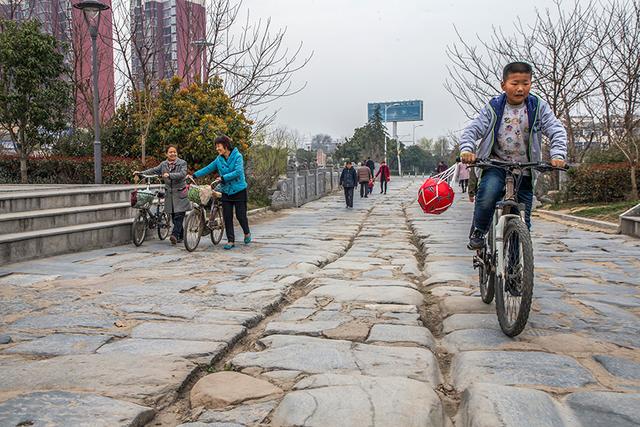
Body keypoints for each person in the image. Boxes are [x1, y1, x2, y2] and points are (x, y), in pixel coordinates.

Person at [459, 61, 567, 250]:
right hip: (495, 164)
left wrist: (558, 155)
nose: (520, 88)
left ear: (531, 84)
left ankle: (517, 269)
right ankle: (479, 231)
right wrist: (467, 149)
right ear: (503, 85)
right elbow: (473, 129)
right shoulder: (495, 106)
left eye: (525, 83)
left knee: (523, 218)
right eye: (514, 83)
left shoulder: (537, 106)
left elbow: (557, 130)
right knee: (488, 195)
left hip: (526, 168)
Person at [189, 135, 251, 250]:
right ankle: (230, 240)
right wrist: (194, 175)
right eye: (216, 147)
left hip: (239, 190)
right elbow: (208, 168)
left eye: (219, 146)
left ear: (225, 145)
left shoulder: (237, 156)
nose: (217, 149)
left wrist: (223, 178)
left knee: (240, 215)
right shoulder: (219, 159)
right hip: (226, 191)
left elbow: (238, 172)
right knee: (227, 217)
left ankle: (247, 232)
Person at [135, 145, 190, 244]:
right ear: (166, 154)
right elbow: (153, 170)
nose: (173, 154)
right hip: (169, 193)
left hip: (180, 192)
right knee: (174, 216)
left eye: (174, 152)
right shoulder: (163, 164)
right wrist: (141, 173)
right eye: (170, 152)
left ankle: (174, 235)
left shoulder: (182, 163)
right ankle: (181, 236)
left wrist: (169, 175)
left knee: (179, 215)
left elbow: (182, 174)